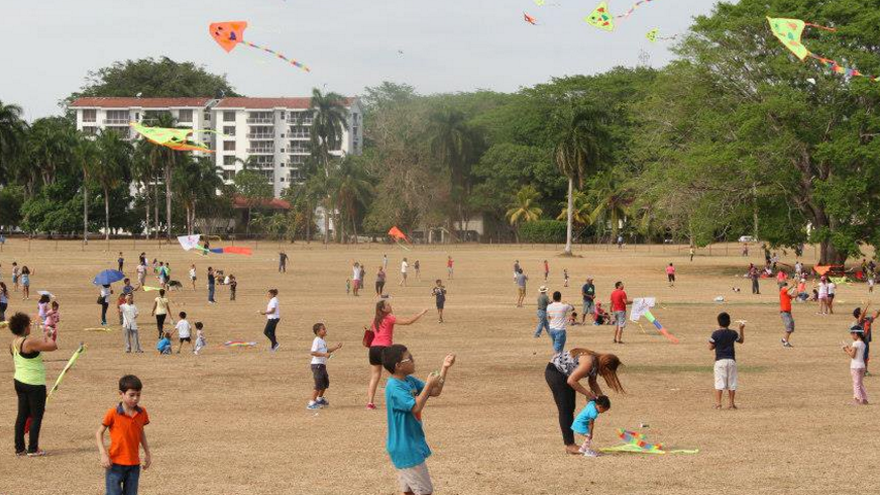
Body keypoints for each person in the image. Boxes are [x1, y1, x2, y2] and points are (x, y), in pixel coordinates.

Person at [383, 344, 455, 495]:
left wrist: (444, 368)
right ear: (398, 366)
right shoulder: (394, 387)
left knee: (409, 491)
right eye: (409, 358)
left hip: (409, 443)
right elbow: (415, 407)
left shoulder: (408, 380)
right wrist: (428, 384)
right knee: (425, 491)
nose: (413, 360)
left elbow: (435, 391)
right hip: (405, 447)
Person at [544, 348, 624, 455]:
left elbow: (592, 382)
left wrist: (600, 397)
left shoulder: (596, 362)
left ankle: (570, 444)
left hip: (564, 374)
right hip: (556, 372)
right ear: (605, 365)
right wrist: (588, 394)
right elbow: (571, 381)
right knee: (566, 408)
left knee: (570, 406)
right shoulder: (589, 362)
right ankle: (570, 445)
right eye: (607, 372)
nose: (603, 374)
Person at [9, 311, 57, 457]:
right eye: (28, 325)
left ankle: (19, 448)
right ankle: (33, 448)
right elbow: (52, 346)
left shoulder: (13, 342)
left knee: (22, 415)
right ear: (24, 327)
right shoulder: (28, 342)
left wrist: (44, 337)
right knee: (36, 416)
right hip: (34, 384)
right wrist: (48, 334)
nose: (30, 327)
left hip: (20, 381)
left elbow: (37, 349)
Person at [366, 300, 428, 410]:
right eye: (388, 305)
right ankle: (408, 397)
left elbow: (370, 332)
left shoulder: (375, 320)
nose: (390, 305)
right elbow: (408, 322)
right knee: (397, 373)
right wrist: (421, 313)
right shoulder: (389, 318)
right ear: (383, 309)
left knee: (375, 376)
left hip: (373, 349)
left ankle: (370, 403)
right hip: (384, 348)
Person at [96, 375, 151, 495]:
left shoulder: (142, 413)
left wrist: (147, 453)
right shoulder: (113, 413)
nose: (135, 398)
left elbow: (141, 432)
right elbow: (99, 433)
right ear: (121, 393)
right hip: (114, 464)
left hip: (134, 465)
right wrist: (103, 454)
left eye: (138, 394)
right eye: (131, 395)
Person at [709, 312, 745, 410]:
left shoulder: (715, 333)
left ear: (718, 322)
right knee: (732, 383)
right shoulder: (733, 333)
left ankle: (718, 404)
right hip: (731, 361)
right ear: (729, 322)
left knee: (719, 382)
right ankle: (731, 404)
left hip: (720, 361)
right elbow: (741, 341)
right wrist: (741, 330)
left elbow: (710, 347)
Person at [308, 323, 343, 410]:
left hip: (322, 366)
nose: (325, 330)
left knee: (325, 383)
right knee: (318, 384)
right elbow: (312, 352)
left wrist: (336, 347)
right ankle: (311, 403)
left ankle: (319, 399)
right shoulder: (317, 340)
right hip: (317, 366)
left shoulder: (322, 341)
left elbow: (326, 350)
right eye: (323, 329)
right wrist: (324, 355)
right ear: (318, 331)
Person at [842, 326, 869, 405]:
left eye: (852, 334)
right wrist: (847, 347)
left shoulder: (855, 343)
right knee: (860, 383)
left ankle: (857, 399)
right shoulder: (862, 343)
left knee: (856, 383)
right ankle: (864, 399)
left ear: (856, 334)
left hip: (855, 366)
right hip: (862, 366)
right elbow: (853, 350)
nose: (851, 336)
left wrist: (845, 350)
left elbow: (852, 355)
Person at [854, 306, 876, 375]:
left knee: (866, 356)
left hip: (866, 341)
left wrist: (878, 311)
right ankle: (861, 370)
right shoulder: (859, 320)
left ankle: (865, 370)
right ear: (859, 314)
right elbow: (862, 315)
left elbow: (874, 316)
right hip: (861, 341)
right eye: (861, 311)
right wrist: (867, 306)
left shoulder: (867, 319)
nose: (863, 311)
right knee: (861, 356)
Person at [779, 282, 796, 348]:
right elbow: (787, 289)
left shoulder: (786, 294)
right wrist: (793, 285)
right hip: (784, 312)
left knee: (791, 326)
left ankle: (784, 339)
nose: (785, 287)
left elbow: (794, 296)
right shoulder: (782, 291)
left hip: (788, 312)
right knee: (789, 327)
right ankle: (786, 343)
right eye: (785, 286)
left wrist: (796, 288)